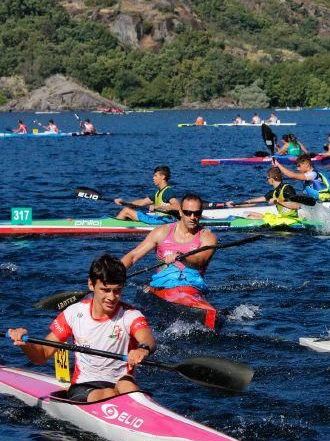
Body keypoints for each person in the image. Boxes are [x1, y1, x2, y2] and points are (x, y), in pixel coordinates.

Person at [7, 254, 156, 402]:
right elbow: (41, 356)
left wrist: (142, 349)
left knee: (126, 385)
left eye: (117, 290)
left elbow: (147, 338)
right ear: (91, 285)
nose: (112, 297)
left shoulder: (130, 315)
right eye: (105, 290)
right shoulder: (74, 313)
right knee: (109, 394)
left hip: (122, 382)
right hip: (85, 386)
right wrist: (25, 344)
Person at [121, 194, 217, 294]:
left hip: (192, 287)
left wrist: (181, 257)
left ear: (201, 214)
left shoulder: (208, 237)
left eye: (196, 213)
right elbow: (133, 256)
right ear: (180, 212)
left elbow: (200, 261)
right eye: (187, 213)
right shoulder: (161, 232)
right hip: (163, 287)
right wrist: (113, 272)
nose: (192, 217)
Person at [226, 167, 316, 223]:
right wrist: (235, 204)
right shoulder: (273, 192)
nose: (267, 180)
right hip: (281, 219)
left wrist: (278, 201)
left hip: (291, 220)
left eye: (267, 178)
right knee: (248, 213)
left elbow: (297, 205)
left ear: (272, 179)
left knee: (250, 217)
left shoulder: (287, 188)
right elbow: (254, 201)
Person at [114, 165, 179, 224]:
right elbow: (141, 202)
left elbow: (177, 206)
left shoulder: (168, 191)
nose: (153, 178)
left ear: (163, 177)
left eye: (155, 175)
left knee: (126, 211)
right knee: (127, 208)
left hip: (165, 220)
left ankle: (114, 226)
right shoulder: (158, 193)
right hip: (158, 218)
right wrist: (124, 203)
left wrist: (158, 207)